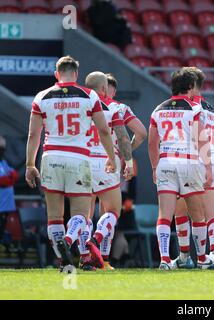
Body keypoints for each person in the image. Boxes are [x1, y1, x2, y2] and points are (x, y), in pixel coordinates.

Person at [25, 56, 116, 270]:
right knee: (81, 214)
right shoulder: (89, 95)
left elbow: (33, 134)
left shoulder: (42, 96)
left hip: (51, 157)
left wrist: (30, 164)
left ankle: (63, 262)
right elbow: (103, 130)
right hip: (78, 158)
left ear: (57, 74)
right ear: (76, 73)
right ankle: (67, 240)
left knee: (54, 215)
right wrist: (112, 157)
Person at [148, 68, 213, 270]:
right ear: (191, 87)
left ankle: (165, 260)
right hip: (189, 162)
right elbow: (200, 139)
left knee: (164, 215)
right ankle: (202, 259)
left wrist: (154, 167)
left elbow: (152, 143)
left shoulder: (158, 109)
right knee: (197, 214)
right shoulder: (194, 108)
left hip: (166, 162)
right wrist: (208, 167)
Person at [76, 71, 134, 271]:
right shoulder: (114, 107)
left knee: (84, 214)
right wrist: (128, 161)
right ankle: (97, 238)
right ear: (104, 89)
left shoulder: (77, 106)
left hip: (81, 161)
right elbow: (130, 136)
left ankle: (85, 258)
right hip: (106, 162)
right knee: (112, 211)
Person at [172, 67, 214, 270]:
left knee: (182, 212)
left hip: (194, 160)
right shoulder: (212, 109)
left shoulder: (188, 108)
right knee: (211, 214)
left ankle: (185, 257)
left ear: (190, 86)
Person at [106, 74, 147, 151]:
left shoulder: (86, 104)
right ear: (114, 92)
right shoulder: (120, 108)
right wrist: (127, 152)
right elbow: (142, 133)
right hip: (111, 158)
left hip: (85, 155)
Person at [0, 136, 18, 242]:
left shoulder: (3, 162)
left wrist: (10, 178)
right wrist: (9, 179)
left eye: (3, 148)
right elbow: (4, 180)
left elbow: (13, 174)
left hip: (6, 203)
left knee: (3, 226)